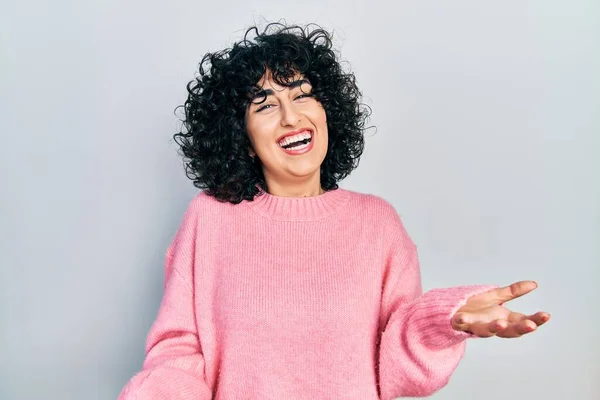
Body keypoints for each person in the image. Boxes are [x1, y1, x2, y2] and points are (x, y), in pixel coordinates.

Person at [118, 23, 550, 400]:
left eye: (303, 96)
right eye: (265, 105)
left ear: (328, 113)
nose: (291, 117)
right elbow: (179, 349)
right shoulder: (209, 218)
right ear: (243, 137)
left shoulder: (377, 223)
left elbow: (393, 361)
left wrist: (446, 319)